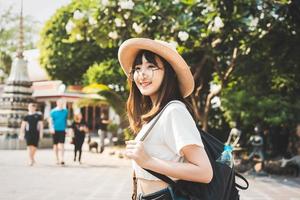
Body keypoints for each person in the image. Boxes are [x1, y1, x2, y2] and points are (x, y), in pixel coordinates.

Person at [118, 38, 213, 199]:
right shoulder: (155, 114)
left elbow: (204, 172)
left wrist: (148, 161)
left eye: (151, 67)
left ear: (168, 73)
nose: (142, 74)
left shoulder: (174, 112)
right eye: (137, 68)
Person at [49, 99, 68, 165]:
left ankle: (62, 159)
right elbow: (51, 121)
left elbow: (66, 120)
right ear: (57, 103)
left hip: (62, 130)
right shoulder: (53, 111)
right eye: (60, 103)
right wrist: (51, 128)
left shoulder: (65, 111)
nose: (61, 104)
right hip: (55, 130)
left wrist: (67, 129)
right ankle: (56, 159)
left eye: (62, 103)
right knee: (55, 145)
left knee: (62, 144)